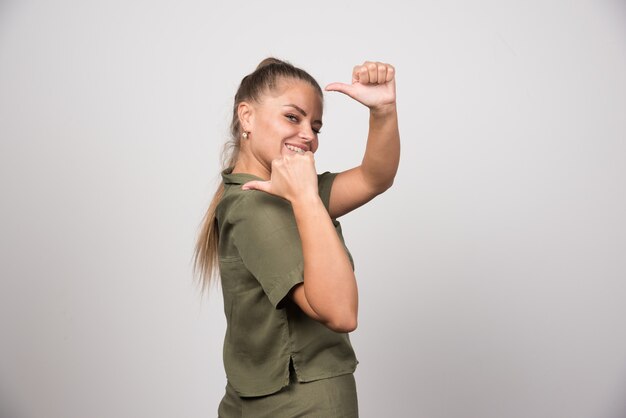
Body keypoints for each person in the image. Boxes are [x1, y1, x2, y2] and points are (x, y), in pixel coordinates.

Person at [193, 57, 400, 417]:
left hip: (270, 395)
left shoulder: (290, 191)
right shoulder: (258, 206)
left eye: (316, 126)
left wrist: (383, 111)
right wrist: (306, 197)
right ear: (247, 117)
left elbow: (373, 177)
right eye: (293, 117)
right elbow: (341, 313)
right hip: (294, 400)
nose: (309, 135)